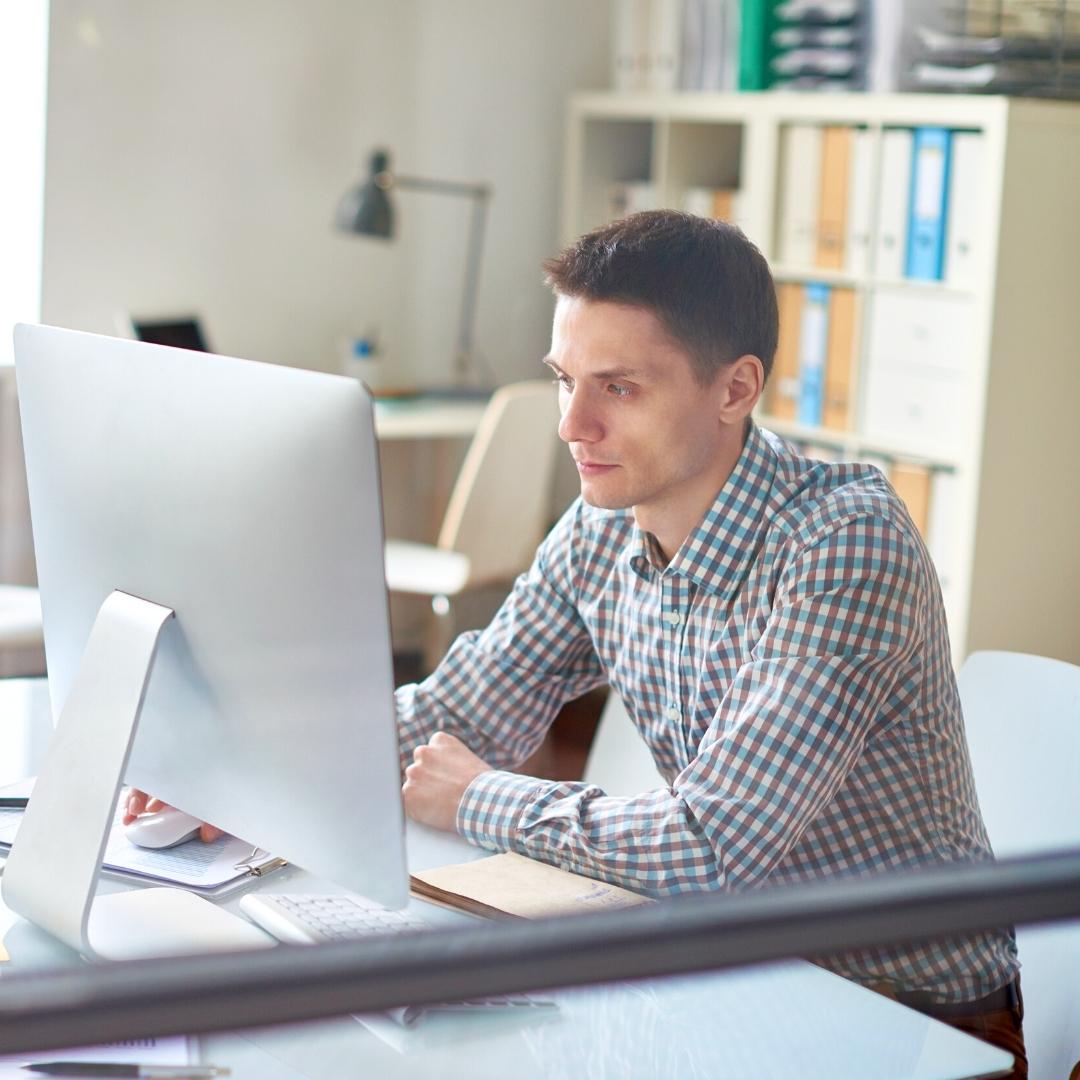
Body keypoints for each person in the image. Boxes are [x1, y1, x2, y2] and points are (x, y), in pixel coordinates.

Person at [128, 210, 1024, 1071]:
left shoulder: (842, 545)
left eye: (619, 388)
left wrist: (479, 799)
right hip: (728, 975)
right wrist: (247, 770)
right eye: (566, 379)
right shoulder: (606, 523)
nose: (571, 425)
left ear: (736, 388)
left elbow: (712, 848)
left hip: (903, 1019)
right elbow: (459, 712)